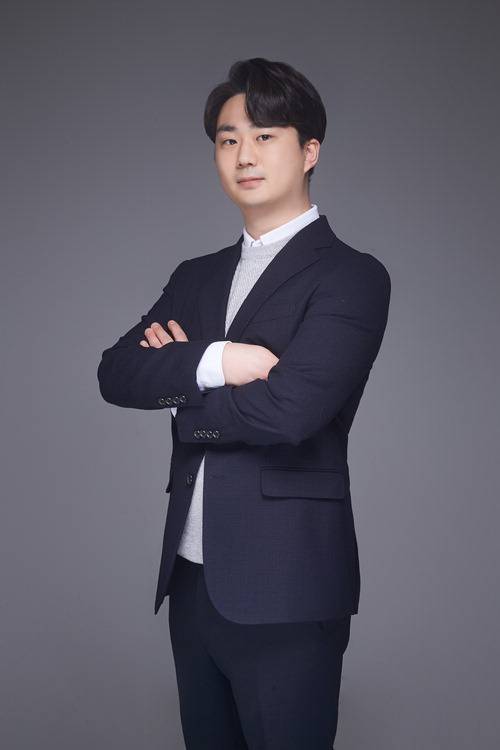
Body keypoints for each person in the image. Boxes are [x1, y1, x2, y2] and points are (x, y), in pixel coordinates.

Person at [98, 57, 391, 750]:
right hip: (192, 583)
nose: (244, 155)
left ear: (309, 150)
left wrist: (179, 395)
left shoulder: (351, 277)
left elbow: (289, 413)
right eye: (228, 139)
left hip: (289, 586)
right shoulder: (195, 277)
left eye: (265, 136)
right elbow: (117, 373)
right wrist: (217, 361)